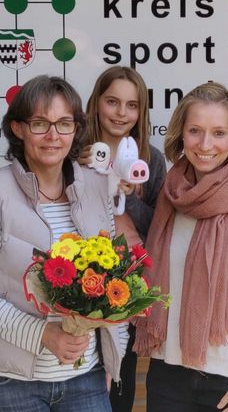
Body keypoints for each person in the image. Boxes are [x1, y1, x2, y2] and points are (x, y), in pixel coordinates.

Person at [0, 75, 126, 412]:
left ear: (76, 130)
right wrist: (43, 335)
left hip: (84, 377)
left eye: (64, 123)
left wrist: (110, 356)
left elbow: (112, 278)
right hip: (9, 381)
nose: (53, 135)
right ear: (18, 128)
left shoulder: (96, 189)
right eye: (39, 123)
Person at [135, 82, 228, 412]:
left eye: (219, 133)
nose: (205, 144)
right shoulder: (169, 198)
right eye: (195, 131)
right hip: (167, 374)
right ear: (181, 134)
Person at [84, 66, 166, 412]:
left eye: (131, 106)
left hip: (126, 291)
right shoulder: (77, 151)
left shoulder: (152, 159)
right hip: (77, 287)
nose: (121, 113)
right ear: (96, 103)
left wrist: (128, 195)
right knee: (81, 380)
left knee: (119, 384)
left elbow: (160, 229)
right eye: (112, 102)